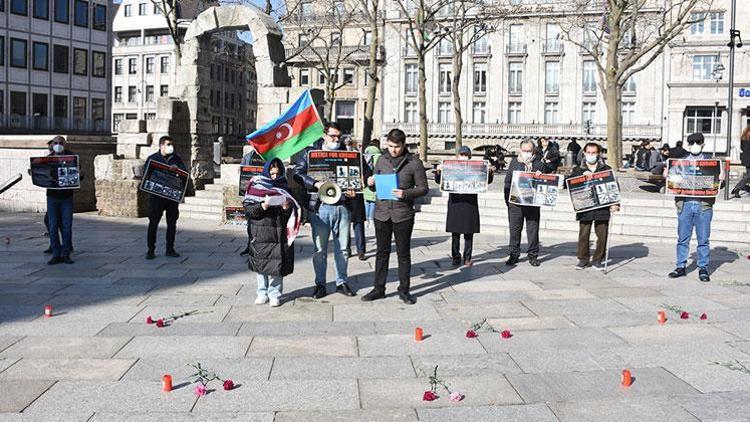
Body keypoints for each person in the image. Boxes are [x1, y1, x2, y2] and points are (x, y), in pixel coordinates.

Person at [361, 128, 428, 305]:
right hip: (382, 213)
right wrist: (370, 183)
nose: (393, 150)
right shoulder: (381, 160)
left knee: (403, 254)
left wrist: (405, 193)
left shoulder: (414, 162)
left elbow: (423, 188)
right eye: (390, 146)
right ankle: (378, 288)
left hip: (403, 214)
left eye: (397, 146)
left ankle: (404, 290)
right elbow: (374, 186)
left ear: (403, 144)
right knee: (381, 253)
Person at [294, 122, 356, 298]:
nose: (336, 139)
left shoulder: (348, 154)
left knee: (343, 248)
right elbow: (298, 173)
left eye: (339, 136)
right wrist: (314, 183)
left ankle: (341, 282)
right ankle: (320, 283)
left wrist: (355, 188)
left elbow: (360, 175)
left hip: (343, 206)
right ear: (324, 135)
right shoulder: (309, 153)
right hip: (320, 207)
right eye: (332, 136)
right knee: (320, 249)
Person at [667, 133, 724, 282]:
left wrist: (721, 179)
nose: (695, 145)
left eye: (698, 142)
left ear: (703, 144)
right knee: (682, 238)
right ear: (688, 145)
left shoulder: (711, 163)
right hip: (685, 204)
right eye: (692, 142)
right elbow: (674, 183)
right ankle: (680, 266)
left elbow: (716, 186)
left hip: (703, 206)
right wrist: (668, 175)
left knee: (703, 239)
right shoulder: (680, 162)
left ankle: (703, 268)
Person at [244, 158, 298, 307]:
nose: (274, 177)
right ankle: (261, 293)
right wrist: (263, 206)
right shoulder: (256, 187)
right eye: (272, 173)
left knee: (277, 266)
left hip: (278, 234)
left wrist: (287, 207)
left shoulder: (284, 187)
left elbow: (292, 215)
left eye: (277, 174)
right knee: (261, 266)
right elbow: (249, 211)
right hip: (260, 233)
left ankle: (275, 294)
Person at [435, 146, 493, 267]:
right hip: (455, 203)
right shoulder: (451, 166)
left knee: (469, 233)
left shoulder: (475, 167)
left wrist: (490, 171)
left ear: (469, 156)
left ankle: (467, 257)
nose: (463, 156)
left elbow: (486, 180)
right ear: (457, 155)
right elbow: (439, 180)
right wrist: (439, 171)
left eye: (466, 154)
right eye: (461, 154)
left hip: (469, 203)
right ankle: (456, 256)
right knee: (455, 233)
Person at [569, 142, 620, 270]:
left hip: (602, 206)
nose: (591, 155)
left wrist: (615, 203)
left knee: (602, 235)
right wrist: (582, 176)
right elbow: (569, 184)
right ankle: (583, 259)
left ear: (598, 154)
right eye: (589, 153)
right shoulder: (578, 169)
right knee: (584, 235)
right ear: (584, 154)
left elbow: (614, 186)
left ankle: (598, 260)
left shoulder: (606, 169)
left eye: (594, 153)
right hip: (585, 206)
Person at [504, 139, 545, 266]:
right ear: (520, 150)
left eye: (529, 151)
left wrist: (541, 176)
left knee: (533, 230)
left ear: (533, 151)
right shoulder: (515, 162)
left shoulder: (539, 164)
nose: (527, 153)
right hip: (515, 204)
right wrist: (508, 201)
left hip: (532, 204)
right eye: (525, 150)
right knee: (514, 230)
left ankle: (533, 255)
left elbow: (547, 183)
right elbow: (507, 182)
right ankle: (514, 254)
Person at [145, 136, 187, 260]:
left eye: (171, 144)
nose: (170, 147)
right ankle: (150, 250)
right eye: (168, 144)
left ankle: (170, 248)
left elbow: (185, 173)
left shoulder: (176, 159)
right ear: (161, 145)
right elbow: (146, 175)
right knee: (153, 223)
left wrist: (178, 169)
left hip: (171, 198)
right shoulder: (153, 158)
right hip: (157, 197)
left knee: (172, 224)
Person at [44, 136, 75, 265]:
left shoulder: (72, 158)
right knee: (52, 226)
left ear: (65, 144)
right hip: (52, 196)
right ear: (52, 144)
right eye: (56, 143)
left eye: (60, 143)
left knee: (67, 226)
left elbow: (79, 176)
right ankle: (56, 253)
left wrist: (79, 173)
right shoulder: (47, 158)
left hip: (66, 197)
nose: (58, 145)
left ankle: (65, 253)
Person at [239, 146, 260, 257]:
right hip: (252, 195)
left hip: (264, 195)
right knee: (250, 223)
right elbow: (242, 175)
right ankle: (250, 247)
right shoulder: (248, 157)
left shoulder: (269, 156)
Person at [362, 141, 381, 231]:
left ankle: (366, 220)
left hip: (366, 180)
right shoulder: (378, 156)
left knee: (367, 201)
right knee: (373, 201)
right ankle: (371, 219)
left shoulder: (365, 154)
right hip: (374, 180)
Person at [731, 125, 750, 198]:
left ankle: (737, 188)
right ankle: (737, 188)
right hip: (748, 159)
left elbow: (742, 148)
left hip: (746, 159)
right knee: (748, 176)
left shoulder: (744, 137)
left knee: (748, 176)